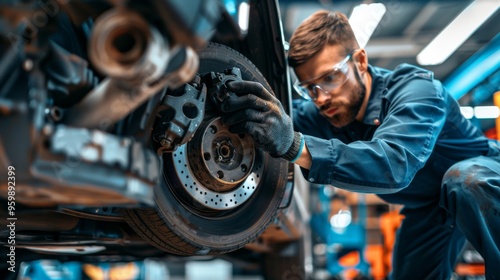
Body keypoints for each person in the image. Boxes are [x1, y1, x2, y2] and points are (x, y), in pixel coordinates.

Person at [220, 10, 500, 279]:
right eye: (309, 88)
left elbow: (393, 165)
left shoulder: (416, 90)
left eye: (330, 78)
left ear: (361, 61)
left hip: (485, 179)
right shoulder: (321, 114)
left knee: (465, 180)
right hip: (428, 205)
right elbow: (274, 119)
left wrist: (296, 146)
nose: (321, 98)